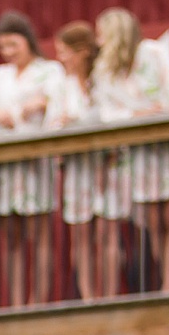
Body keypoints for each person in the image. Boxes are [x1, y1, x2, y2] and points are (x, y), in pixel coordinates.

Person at [0, 11, 64, 305]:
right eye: (4, 47)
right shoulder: (1, 75)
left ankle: (38, 298)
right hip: (7, 165)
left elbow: (60, 108)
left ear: (27, 41)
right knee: (12, 236)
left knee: (39, 232)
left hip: (35, 161)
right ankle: (15, 299)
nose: (9, 52)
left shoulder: (50, 71)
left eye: (14, 44)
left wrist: (40, 105)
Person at [94, 7, 169, 292]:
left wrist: (165, 116)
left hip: (165, 146)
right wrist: (138, 115)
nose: (99, 42)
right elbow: (105, 112)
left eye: (102, 35)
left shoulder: (155, 54)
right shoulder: (105, 69)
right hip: (135, 154)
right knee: (153, 222)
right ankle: (166, 282)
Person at [50, 21, 124, 299]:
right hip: (77, 169)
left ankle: (110, 294)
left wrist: (77, 121)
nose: (61, 58)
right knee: (81, 237)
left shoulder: (103, 81)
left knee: (108, 233)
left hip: (107, 164)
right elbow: (53, 124)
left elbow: (112, 114)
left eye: (65, 52)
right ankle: (89, 296)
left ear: (81, 52)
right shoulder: (62, 86)